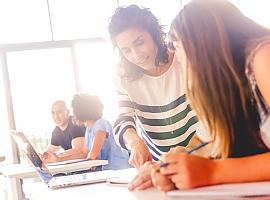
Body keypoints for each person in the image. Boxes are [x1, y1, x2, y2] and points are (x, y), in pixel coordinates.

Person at [151, 0, 270, 191]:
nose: (179, 59)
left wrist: (213, 171)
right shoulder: (236, 85)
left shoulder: (263, 55)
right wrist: (174, 171)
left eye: (179, 48)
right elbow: (212, 144)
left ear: (202, 45)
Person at [108, 5, 207, 189]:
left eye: (139, 43)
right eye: (126, 50)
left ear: (155, 34)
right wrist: (135, 142)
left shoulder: (184, 58)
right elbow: (123, 119)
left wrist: (178, 158)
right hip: (160, 168)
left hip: (204, 156)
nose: (136, 55)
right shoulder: (123, 76)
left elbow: (210, 120)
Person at [71, 94, 131, 170]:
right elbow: (84, 152)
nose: (73, 114)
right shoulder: (89, 129)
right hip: (107, 171)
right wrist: (59, 159)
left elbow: (93, 155)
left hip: (118, 169)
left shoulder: (101, 124)